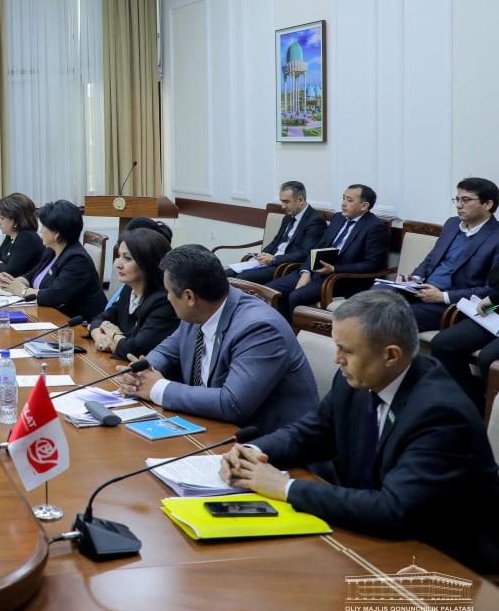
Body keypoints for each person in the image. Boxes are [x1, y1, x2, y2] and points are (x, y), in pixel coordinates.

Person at [221, 291, 499, 574]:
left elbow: (394, 509)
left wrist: (285, 487)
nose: (337, 359)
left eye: (347, 351)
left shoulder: (440, 414)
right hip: (368, 533)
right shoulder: (358, 380)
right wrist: (252, 452)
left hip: (444, 561)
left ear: (391, 355)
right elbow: (310, 434)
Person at [121, 244, 318, 435]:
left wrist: (157, 388)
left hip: (268, 444)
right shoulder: (200, 311)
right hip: (212, 428)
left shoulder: (260, 328)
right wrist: (141, 373)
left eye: (169, 292)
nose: (168, 298)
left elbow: (232, 403)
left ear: (189, 297)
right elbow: (166, 351)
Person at [371, 178, 499, 331]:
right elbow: (432, 258)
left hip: (450, 302)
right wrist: (414, 279)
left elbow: (491, 289)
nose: (459, 205)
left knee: (391, 317)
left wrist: (443, 296)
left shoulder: (496, 237)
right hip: (421, 290)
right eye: (457, 199)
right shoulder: (452, 224)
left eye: (465, 200)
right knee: (373, 297)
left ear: (487, 204)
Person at [264, 185, 389, 321]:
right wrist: (306, 272)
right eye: (343, 198)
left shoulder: (374, 227)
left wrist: (335, 269)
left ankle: (295, 332)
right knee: (270, 290)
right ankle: (281, 326)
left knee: (296, 296)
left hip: (342, 279)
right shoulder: (338, 218)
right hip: (317, 271)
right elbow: (318, 247)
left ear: (364, 206)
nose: (343, 204)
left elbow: (372, 264)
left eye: (349, 200)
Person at [0, 200, 106, 322]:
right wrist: (12, 283)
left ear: (56, 233)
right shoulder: (51, 251)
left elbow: (53, 296)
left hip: (78, 324)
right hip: (48, 316)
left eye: (44, 226)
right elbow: (32, 275)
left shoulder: (77, 260)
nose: (40, 231)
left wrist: (21, 290)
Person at [88, 228, 178, 359]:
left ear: (148, 263)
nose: (118, 264)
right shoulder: (129, 289)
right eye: (119, 256)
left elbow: (135, 349)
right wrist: (99, 337)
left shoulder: (164, 302)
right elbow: (99, 319)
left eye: (127, 258)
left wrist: (114, 334)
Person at [425, 263, 499, 413]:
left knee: (488, 358)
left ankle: (492, 415)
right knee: (443, 343)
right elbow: (494, 277)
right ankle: (473, 407)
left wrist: (494, 297)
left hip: (494, 302)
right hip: (495, 310)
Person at [225, 181, 326, 284]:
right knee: (226, 274)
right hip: (271, 262)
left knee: (241, 278)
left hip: (285, 266)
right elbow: (275, 242)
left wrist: (274, 259)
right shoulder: (288, 217)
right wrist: (263, 254)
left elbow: (305, 253)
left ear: (300, 200)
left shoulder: (315, 221)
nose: (283, 206)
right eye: (282, 202)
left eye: (286, 202)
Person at [0, 193, 43, 276]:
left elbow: (10, 272)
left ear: (16, 221)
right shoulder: (11, 235)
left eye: (2, 218)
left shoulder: (26, 238)